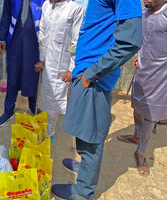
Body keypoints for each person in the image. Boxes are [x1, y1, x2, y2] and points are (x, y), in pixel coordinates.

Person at [51, 0, 143, 199]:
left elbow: (130, 42)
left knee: (90, 138)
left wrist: (90, 75)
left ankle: (83, 191)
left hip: (94, 77)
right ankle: (85, 167)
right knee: (84, 130)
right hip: (87, 72)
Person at [117, 0, 167, 177]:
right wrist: (139, 55)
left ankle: (141, 151)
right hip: (142, 70)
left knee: (150, 115)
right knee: (137, 107)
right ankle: (136, 135)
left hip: (160, 75)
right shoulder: (146, 13)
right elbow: (143, 39)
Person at [34, 0, 85, 139]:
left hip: (62, 64)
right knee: (46, 98)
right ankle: (47, 128)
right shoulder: (46, 5)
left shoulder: (75, 9)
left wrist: (71, 68)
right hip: (48, 62)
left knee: (55, 100)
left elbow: (76, 40)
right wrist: (42, 59)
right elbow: (42, 33)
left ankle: (49, 134)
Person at [0, 0, 45, 127]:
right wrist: (2, 37)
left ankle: (33, 106)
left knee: (32, 74)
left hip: (34, 41)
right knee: (13, 75)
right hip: (15, 39)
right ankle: (8, 111)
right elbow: (6, 14)